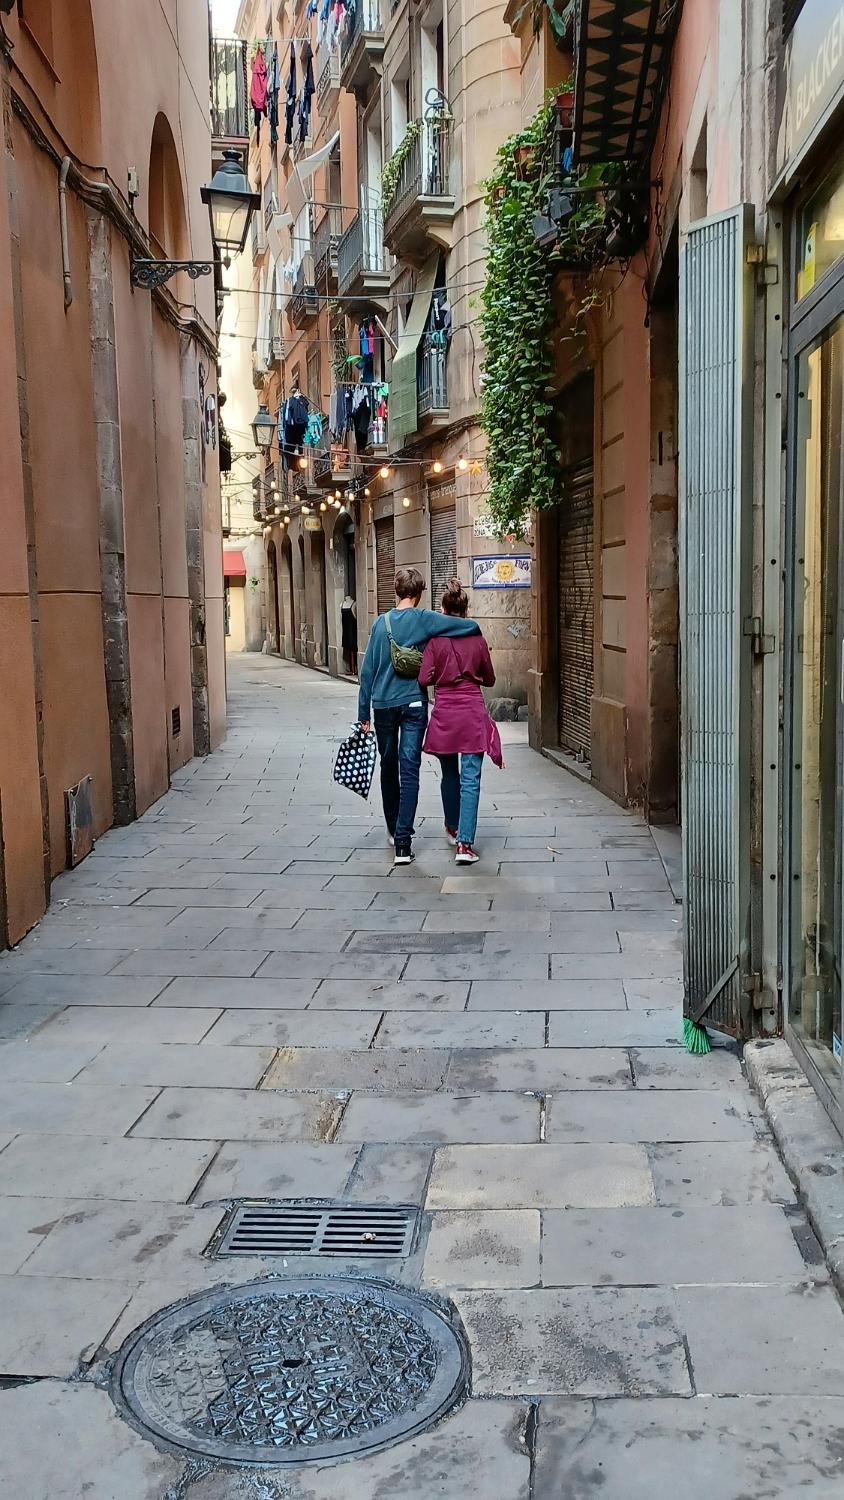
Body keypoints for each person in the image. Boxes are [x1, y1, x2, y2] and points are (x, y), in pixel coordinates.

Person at [358, 567, 480, 865]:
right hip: (414, 703)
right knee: (409, 769)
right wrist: (471, 629)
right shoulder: (425, 619)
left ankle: (393, 829)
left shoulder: (380, 623)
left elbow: (367, 672)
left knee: (388, 766)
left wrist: (363, 714)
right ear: (419, 593)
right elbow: (465, 626)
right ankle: (403, 844)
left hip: (382, 705)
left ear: (396, 591)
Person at [418, 578, 503, 865]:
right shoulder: (477, 639)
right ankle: (465, 845)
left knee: (449, 774)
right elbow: (489, 679)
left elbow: (423, 678)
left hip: (445, 712)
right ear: (465, 611)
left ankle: (452, 827)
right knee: (470, 778)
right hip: (471, 712)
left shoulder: (435, 641)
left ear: (442, 610)